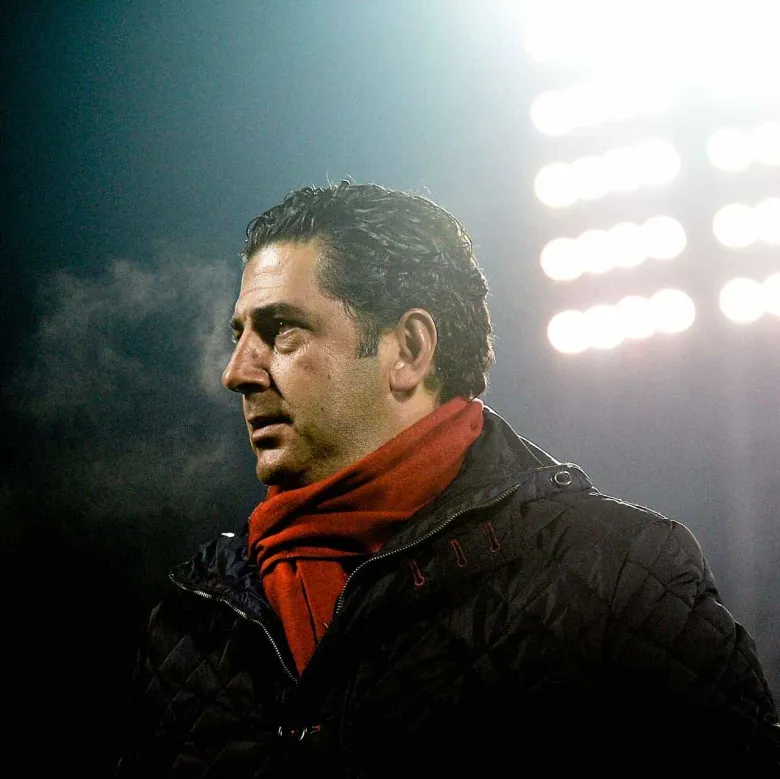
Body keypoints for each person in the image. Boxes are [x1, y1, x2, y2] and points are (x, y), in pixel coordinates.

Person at [116, 181, 779, 777]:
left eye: (281, 330)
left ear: (409, 350)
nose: (236, 371)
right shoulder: (192, 620)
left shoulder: (615, 573)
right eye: (238, 335)